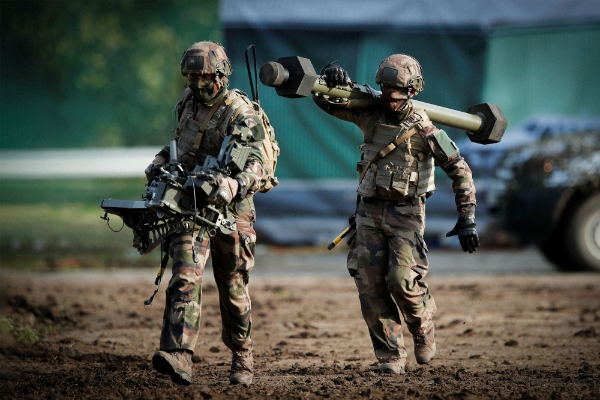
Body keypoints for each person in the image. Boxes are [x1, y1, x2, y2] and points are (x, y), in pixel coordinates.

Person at [313, 54, 479, 374]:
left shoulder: (424, 128)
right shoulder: (371, 115)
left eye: (397, 90)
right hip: (369, 212)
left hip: (407, 214)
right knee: (370, 285)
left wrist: (467, 216)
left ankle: (422, 327)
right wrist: (328, 79)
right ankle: (390, 356)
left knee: (402, 281)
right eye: (385, 89)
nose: (389, 97)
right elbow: (329, 105)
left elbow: (459, 169)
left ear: (413, 90)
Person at [145, 41, 268, 386]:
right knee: (185, 276)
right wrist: (159, 163)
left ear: (221, 75)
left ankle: (242, 355)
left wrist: (235, 184)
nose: (198, 84)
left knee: (232, 286)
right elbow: (180, 148)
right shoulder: (186, 103)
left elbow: (257, 162)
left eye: (204, 77)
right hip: (191, 203)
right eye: (192, 77)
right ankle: (179, 354)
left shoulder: (240, 112)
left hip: (233, 209)